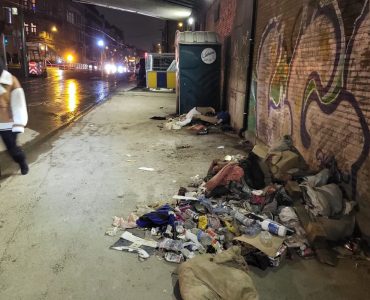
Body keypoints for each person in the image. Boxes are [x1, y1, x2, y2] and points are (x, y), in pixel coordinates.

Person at [0, 21, 29, 175]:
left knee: (12, 148)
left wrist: (19, 124)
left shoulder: (11, 81)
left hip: (7, 123)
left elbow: (19, 105)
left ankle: (22, 161)